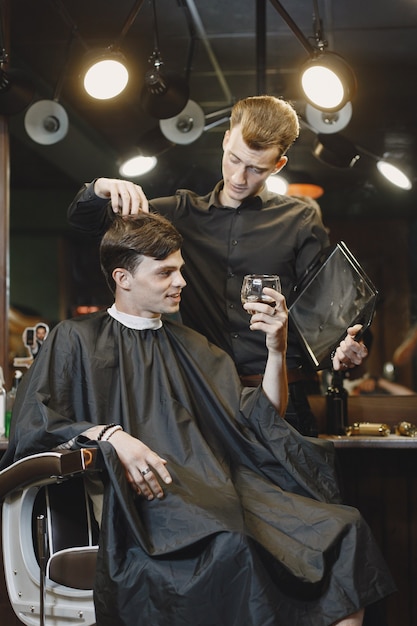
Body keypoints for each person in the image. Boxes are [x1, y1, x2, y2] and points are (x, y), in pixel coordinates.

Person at [1, 212, 394, 626]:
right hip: (152, 506)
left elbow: (259, 416)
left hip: (222, 489)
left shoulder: (191, 345)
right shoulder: (75, 339)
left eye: (181, 270)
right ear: (124, 277)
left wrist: (276, 348)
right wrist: (112, 436)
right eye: (165, 272)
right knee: (229, 546)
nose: (181, 282)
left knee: (343, 532)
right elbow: (35, 424)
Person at [67, 95, 368, 437]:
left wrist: (343, 347)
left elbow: (325, 313)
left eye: (256, 168)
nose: (240, 177)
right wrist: (102, 188)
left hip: (286, 401)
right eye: (234, 159)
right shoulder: (179, 213)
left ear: (279, 165)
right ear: (226, 141)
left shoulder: (300, 219)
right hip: (203, 397)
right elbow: (83, 223)